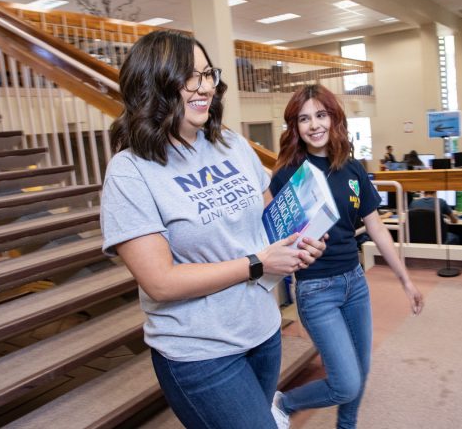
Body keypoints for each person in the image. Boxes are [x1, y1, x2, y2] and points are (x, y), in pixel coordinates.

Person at [100, 30, 326, 429]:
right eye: (190, 76)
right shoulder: (130, 171)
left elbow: (269, 216)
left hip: (262, 329)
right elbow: (161, 282)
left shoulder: (230, 144)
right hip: (199, 350)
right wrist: (258, 262)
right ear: (155, 83)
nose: (205, 87)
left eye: (208, 74)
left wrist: (299, 239)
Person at [269, 84, 423, 429]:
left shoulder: (352, 170)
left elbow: (377, 228)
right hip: (316, 289)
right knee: (345, 382)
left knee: (361, 371)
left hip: (354, 282)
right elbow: (276, 238)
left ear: (334, 118)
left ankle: (346, 426)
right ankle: (285, 402)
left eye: (320, 115)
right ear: (295, 127)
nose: (314, 125)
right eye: (304, 119)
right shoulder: (286, 175)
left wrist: (405, 279)